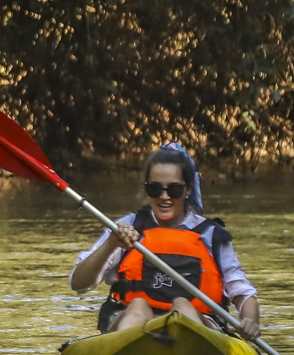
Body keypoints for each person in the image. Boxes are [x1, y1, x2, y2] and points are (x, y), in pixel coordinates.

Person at [67, 141, 260, 339]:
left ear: (188, 190)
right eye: (155, 189)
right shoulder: (126, 228)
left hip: (198, 327)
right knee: (138, 306)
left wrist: (250, 321)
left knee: (182, 307)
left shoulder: (211, 235)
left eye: (174, 190)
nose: (164, 197)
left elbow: (243, 293)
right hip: (132, 326)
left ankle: (189, 353)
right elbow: (78, 283)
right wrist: (111, 244)